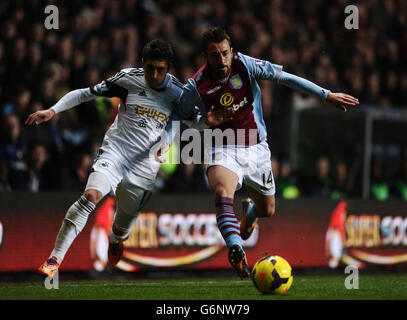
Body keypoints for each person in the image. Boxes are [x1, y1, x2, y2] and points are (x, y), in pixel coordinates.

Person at [26, 39, 232, 277]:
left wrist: (208, 122)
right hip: (115, 153)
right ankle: (54, 259)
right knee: (90, 196)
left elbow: (191, 122)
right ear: (142, 63)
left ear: (169, 68)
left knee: (122, 227)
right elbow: (86, 93)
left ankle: (116, 239)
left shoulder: (178, 93)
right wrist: (53, 110)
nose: (154, 74)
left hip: (145, 166)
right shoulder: (127, 79)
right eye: (149, 68)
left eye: (160, 69)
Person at [177, 27, 359, 278]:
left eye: (225, 53)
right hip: (223, 146)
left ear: (232, 51)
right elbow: (183, 118)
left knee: (268, 210)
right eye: (215, 55)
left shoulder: (246, 65)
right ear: (205, 57)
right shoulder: (196, 86)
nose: (222, 60)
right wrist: (205, 121)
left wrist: (325, 95)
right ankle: (236, 250)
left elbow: (286, 78)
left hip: (257, 149)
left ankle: (251, 212)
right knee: (221, 191)